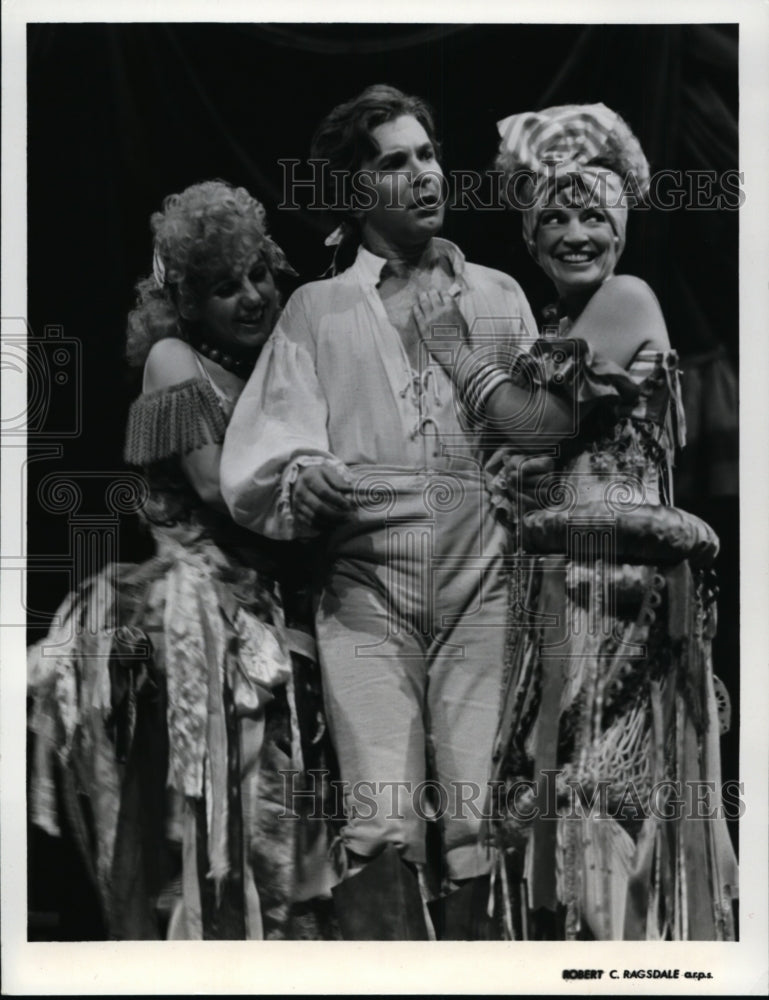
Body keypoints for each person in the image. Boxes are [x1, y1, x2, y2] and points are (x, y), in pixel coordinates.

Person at [220, 84, 538, 940]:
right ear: (357, 190)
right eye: (394, 162)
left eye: (427, 154)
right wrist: (306, 479)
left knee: (477, 818)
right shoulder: (315, 310)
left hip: (482, 586)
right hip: (365, 594)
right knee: (382, 820)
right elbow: (267, 457)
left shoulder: (502, 296)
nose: (423, 174)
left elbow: (541, 438)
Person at [415, 103, 738, 940]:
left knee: (596, 784)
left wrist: (457, 356)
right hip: (572, 581)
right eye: (552, 218)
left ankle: (616, 960)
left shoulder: (626, 297)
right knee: (559, 788)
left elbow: (537, 426)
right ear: (527, 239)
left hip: (621, 579)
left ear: (620, 229)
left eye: (593, 214)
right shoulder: (557, 329)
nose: (574, 233)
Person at [27, 180, 335, 940]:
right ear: (186, 304)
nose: (255, 296)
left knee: (285, 823)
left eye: (260, 274)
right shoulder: (173, 360)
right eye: (226, 287)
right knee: (212, 822)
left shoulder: (278, 366)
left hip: (276, 609)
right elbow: (219, 487)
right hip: (200, 614)